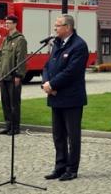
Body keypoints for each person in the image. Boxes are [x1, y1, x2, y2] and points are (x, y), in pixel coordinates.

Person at [42, 14, 89, 182]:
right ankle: (60, 166)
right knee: (58, 135)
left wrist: (52, 84)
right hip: (56, 96)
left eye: (58, 25)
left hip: (71, 98)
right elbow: (47, 66)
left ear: (68, 27)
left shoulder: (79, 45)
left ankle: (71, 169)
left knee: (72, 135)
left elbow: (71, 72)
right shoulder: (57, 44)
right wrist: (46, 83)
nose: (55, 28)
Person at [0, 14, 27, 136]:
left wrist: (18, 75)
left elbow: (21, 59)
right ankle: (8, 126)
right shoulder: (5, 39)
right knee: (5, 103)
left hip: (13, 76)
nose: (7, 25)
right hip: (4, 76)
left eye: (9, 23)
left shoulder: (20, 40)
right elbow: (0, 58)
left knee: (14, 103)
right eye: (6, 23)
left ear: (15, 24)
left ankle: (15, 127)